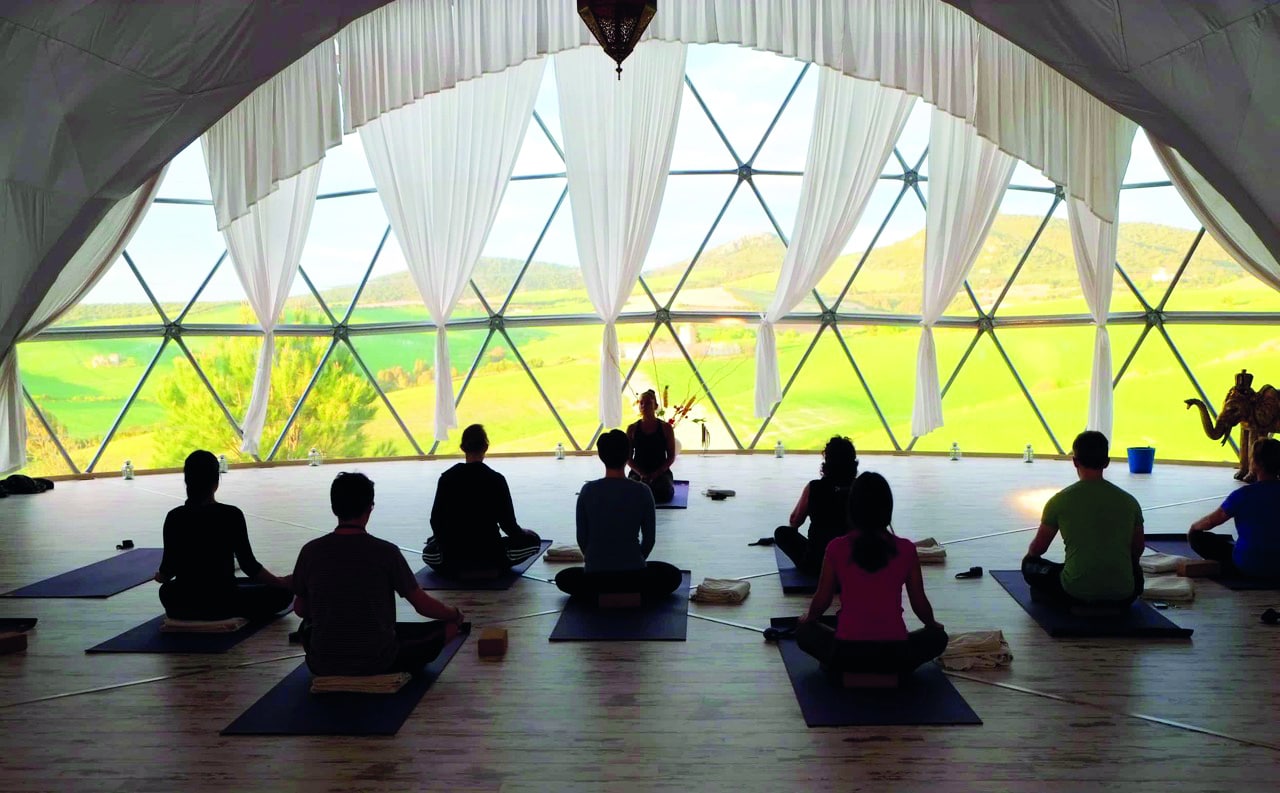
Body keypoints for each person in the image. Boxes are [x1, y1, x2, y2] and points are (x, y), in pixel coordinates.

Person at [293, 472, 466, 676]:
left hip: (322, 663)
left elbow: (300, 609)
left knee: (307, 628)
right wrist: (454, 614)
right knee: (448, 629)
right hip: (379, 661)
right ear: (370, 507)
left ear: (334, 508)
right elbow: (422, 605)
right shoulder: (386, 552)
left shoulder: (310, 551)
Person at [795, 472, 947, 676]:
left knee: (804, 632)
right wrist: (932, 625)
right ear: (888, 509)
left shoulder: (836, 548)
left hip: (846, 654)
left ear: (852, 508)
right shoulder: (906, 549)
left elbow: (822, 601)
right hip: (895, 656)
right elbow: (919, 603)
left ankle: (837, 668)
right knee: (938, 638)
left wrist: (808, 619)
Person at [153, 450, 292, 621]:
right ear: (216, 483)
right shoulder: (231, 515)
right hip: (225, 600)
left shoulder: (174, 517)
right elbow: (249, 566)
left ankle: (198, 611)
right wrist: (279, 583)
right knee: (281, 594)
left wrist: (159, 576)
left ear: (187, 481)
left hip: (185, 602)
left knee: (166, 591)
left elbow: (167, 572)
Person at [554, 429, 682, 599]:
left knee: (564, 578)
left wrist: (598, 562)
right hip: (634, 575)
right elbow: (649, 539)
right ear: (628, 454)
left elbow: (582, 539)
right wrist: (634, 560)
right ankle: (631, 591)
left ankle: (599, 592)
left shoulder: (588, 490)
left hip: (596, 575)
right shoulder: (643, 491)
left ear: (601, 456)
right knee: (671, 575)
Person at [1022, 431, 1145, 607]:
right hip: (1124, 594)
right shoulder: (1129, 501)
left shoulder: (1059, 500)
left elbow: (1038, 549)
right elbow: (1137, 550)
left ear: (1074, 461)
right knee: (1135, 570)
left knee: (1030, 564)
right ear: (1107, 462)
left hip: (1075, 591)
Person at [422, 424, 542, 577]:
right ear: (485, 447)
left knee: (428, 553)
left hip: (453, 558)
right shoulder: (496, 479)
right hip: (490, 556)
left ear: (462, 447)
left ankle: (460, 567)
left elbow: (436, 521)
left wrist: (441, 542)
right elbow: (508, 524)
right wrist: (524, 534)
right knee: (534, 541)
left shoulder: (447, 478)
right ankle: (484, 568)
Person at [1187, 437, 1280, 579]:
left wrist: (1193, 528)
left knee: (1196, 537)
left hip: (1247, 564)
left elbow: (1212, 521)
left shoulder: (1243, 495)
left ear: (1256, 463)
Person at [774, 436, 858, 575]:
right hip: (852, 565)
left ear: (827, 461)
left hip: (816, 565)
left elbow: (794, 521)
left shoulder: (814, 487)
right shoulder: (861, 488)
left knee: (782, 533)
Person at [626, 389, 677, 504]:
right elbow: (628, 458)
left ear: (656, 406)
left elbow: (671, 456)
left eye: (648, 403)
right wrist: (641, 474)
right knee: (631, 494)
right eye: (641, 403)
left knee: (664, 493)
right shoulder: (632, 429)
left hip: (661, 472)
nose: (644, 406)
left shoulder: (666, 428)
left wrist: (656, 473)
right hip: (638, 472)